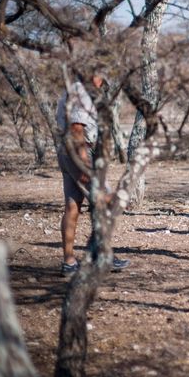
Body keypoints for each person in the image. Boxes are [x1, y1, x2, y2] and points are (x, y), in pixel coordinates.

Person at [56, 74, 130, 276]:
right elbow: (77, 128)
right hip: (79, 152)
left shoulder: (72, 89)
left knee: (73, 206)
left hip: (65, 151)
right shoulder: (83, 93)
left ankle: (69, 261)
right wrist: (85, 163)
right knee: (105, 200)